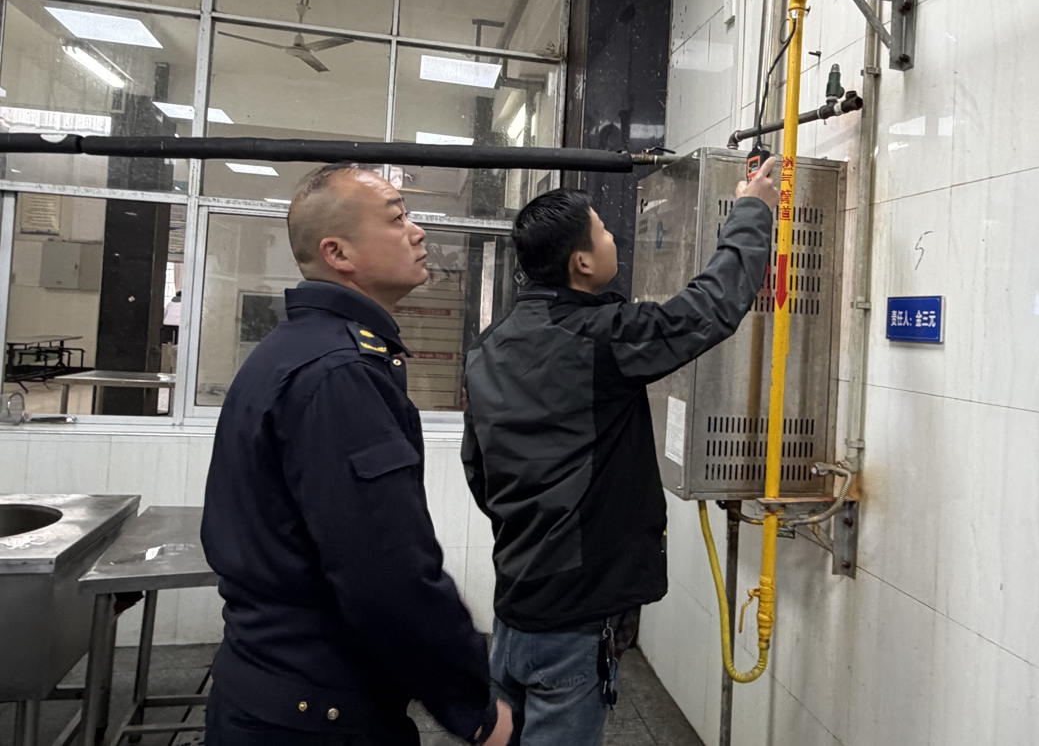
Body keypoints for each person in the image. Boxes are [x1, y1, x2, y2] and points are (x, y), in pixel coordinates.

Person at [461, 157, 780, 745]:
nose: (614, 239)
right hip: (575, 613)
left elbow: (478, 469)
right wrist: (753, 211)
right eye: (605, 231)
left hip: (515, 601)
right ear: (581, 262)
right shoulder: (600, 337)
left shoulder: (489, 346)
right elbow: (708, 308)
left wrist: (537, 527)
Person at [201, 163, 512, 746]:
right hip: (315, 715)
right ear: (337, 253)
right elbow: (386, 573)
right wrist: (473, 705)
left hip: (274, 690)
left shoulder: (297, 350)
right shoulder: (339, 373)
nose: (418, 231)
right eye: (397, 219)